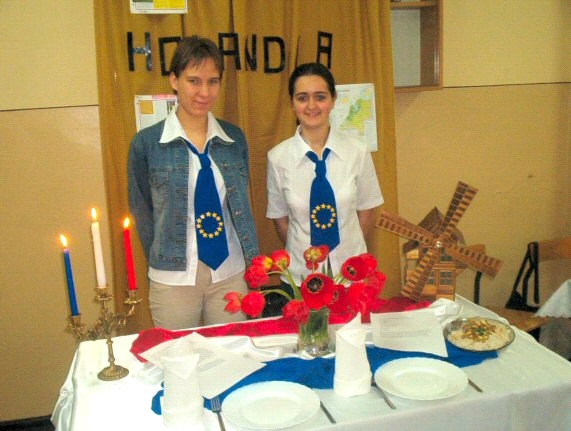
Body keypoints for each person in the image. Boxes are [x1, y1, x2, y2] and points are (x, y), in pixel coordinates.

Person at [128, 35, 259, 330]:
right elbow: (142, 212)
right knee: (177, 354)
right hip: (173, 278)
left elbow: (239, 207)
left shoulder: (234, 139)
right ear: (174, 80)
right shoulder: (147, 144)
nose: (204, 92)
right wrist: (163, 256)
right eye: (194, 81)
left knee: (229, 350)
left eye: (213, 81)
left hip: (230, 273)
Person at [265, 62, 383, 315]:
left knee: (353, 336)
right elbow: (280, 220)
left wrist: (345, 253)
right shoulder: (278, 158)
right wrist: (307, 254)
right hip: (302, 280)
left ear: (333, 100)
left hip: (351, 275)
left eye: (320, 97)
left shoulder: (357, 151)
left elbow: (367, 211)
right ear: (292, 103)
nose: (311, 106)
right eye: (302, 98)